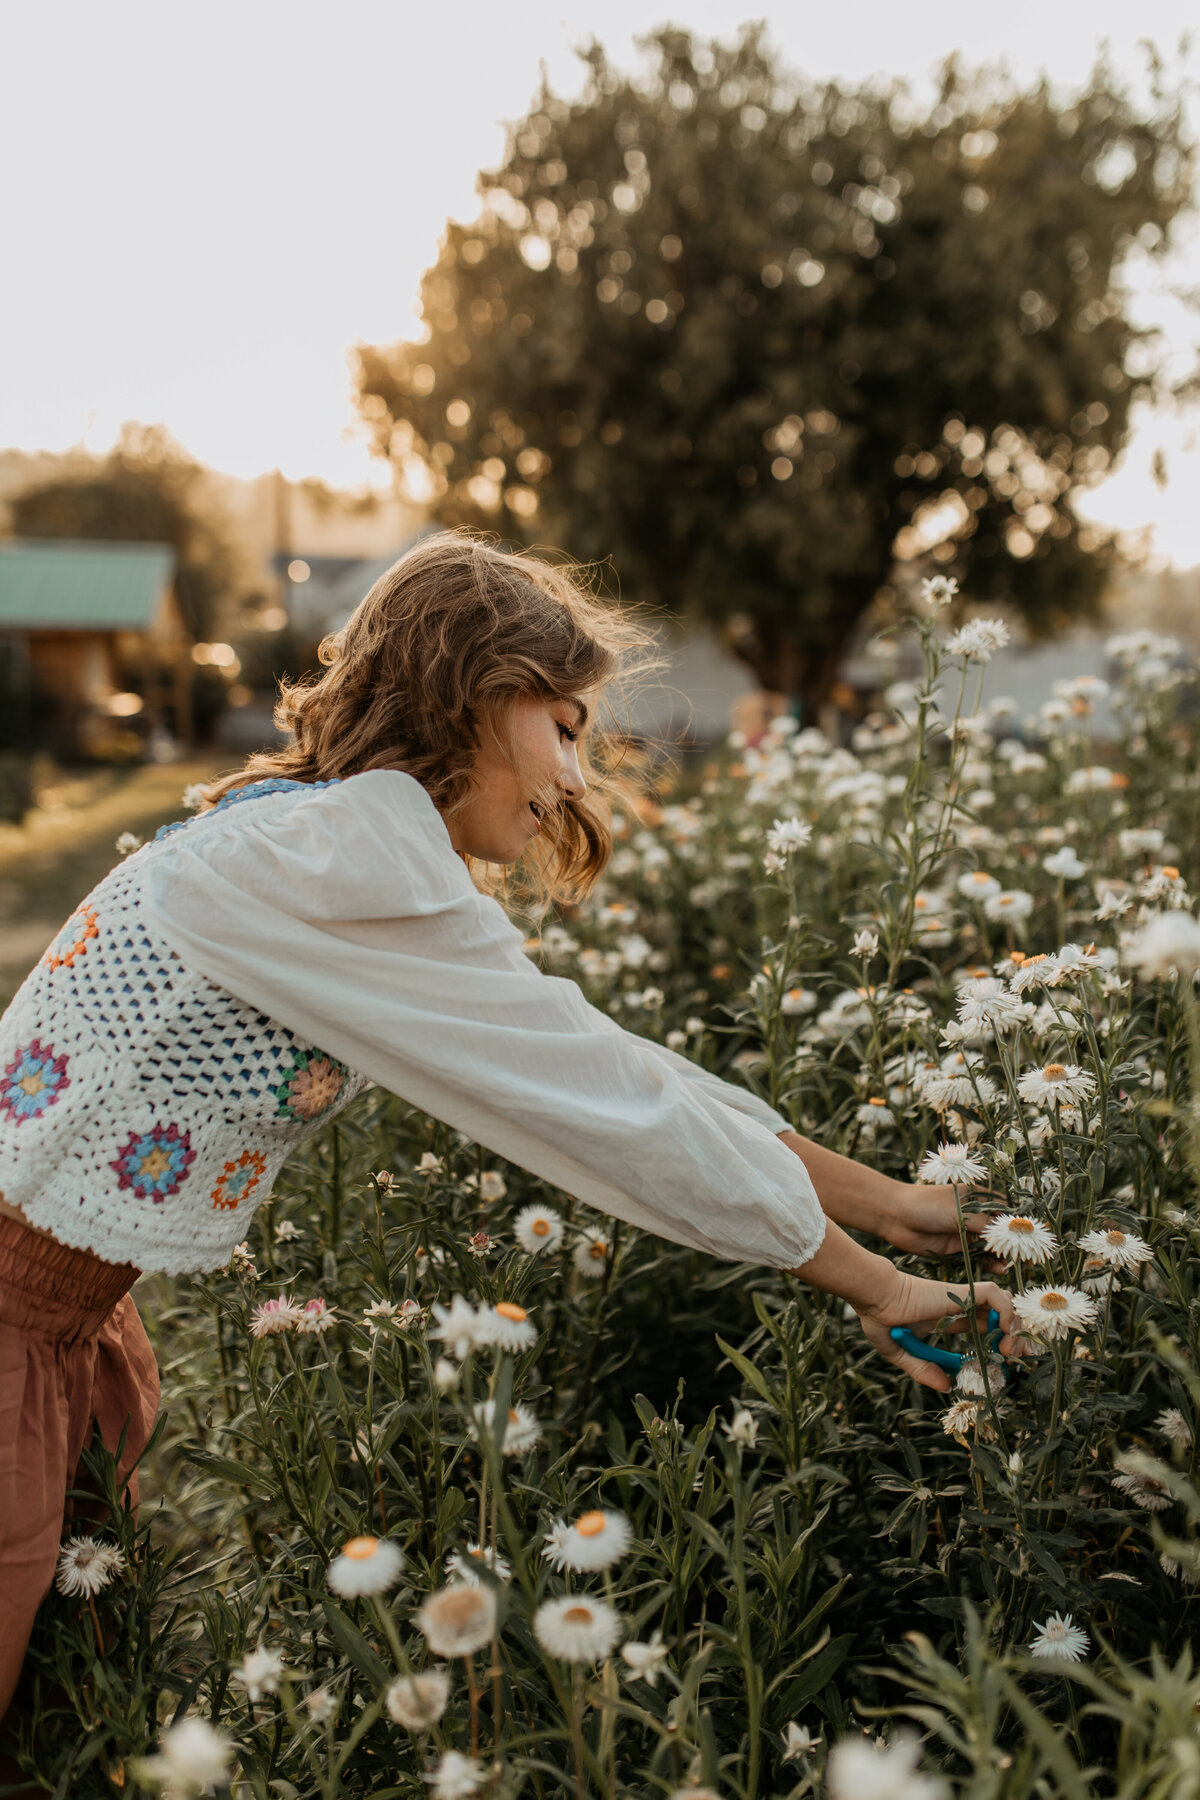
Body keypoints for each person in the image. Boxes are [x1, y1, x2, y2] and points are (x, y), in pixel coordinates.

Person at [0, 527, 1015, 1728]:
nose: (576, 779)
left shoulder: (321, 828)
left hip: (60, 1335)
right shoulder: (336, 858)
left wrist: (893, 1211)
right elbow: (604, 1114)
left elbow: (618, 1071)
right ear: (477, 696)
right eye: (567, 727)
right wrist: (875, 1286)